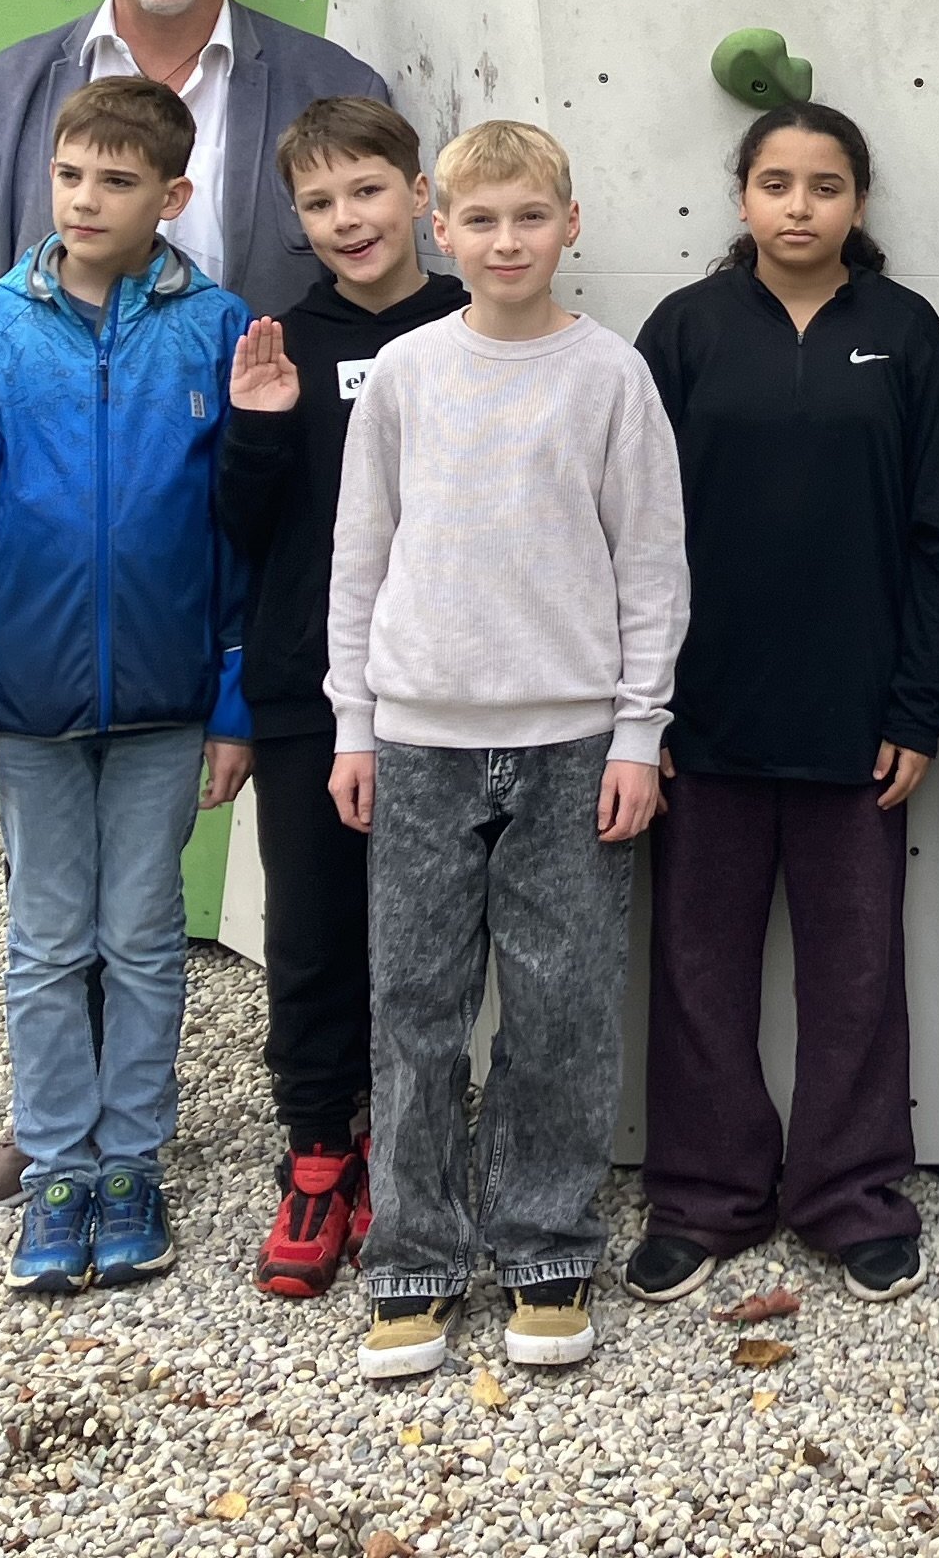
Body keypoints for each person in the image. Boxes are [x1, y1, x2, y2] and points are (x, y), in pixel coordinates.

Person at [0, 0, 390, 1214]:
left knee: (192, 862)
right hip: (49, 532)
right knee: (53, 889)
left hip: (241, 517)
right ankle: (66, 1132)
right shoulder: (6, 96)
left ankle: (239, 1118)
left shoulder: (330, 84)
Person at [325, 119, 687, 1382]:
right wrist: (354, 722)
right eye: (479, 221)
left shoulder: (610, 379)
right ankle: (416, 1260)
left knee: (561, 1007)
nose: (506, 240)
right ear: (442, 230)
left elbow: (651, 566)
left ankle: (543, 1245)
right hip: (420, 738)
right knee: (416, 1003)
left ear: (569, 227)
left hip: (571, 741)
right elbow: (359, 557)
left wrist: (639, 729)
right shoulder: (408, 373)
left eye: (529, 217)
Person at [626, 103, 939, 1308]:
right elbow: (629, 534)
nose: (797, 204)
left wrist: (916, 707)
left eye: (824, 185)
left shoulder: (908, 333)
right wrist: (644, 711)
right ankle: (705, 1192)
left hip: (857, 722)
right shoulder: (683, 331)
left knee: (855, 969)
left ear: (859, 204)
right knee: (695, 963)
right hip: (700, 719)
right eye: (774, 182)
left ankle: (849, 1194)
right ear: (741, 198)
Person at [0, 74, 252, 1299]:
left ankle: (133, 1161)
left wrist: (234, 699)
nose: (89, 198)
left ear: (173, 195)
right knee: (49, 942)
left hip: (167, 698)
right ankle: (58, 1165)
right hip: (31, 702)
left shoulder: (217, 329)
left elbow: (237, 533)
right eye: (71, 176)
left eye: (118, 180)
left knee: (146, 937)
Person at [214, 96, 468, 1302]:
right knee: (312, 934)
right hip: (312, 689)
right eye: (319, 203)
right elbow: (235, 532)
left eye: (366, 190)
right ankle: (320, 1153)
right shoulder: (282, 345)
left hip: (458, 692)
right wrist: (260, 435)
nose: (346, 219)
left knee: (434, 943)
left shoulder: (479, 321)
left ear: (418, 194)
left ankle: (427, 1148)